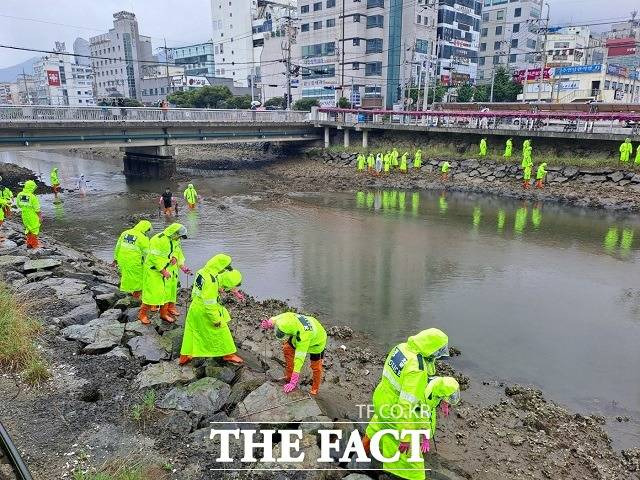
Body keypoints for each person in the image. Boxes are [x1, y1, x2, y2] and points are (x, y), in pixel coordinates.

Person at [362, 328, 449, 453]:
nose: (438, 354)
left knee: (375, 428)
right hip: (394, 409)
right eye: (438, 350)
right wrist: (406, 437)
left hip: (382, 398)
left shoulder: (402, 348)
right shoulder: (417, 369)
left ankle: (354, 458)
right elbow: (406, 404)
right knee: (407, 456)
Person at [372, 376, 461, 480]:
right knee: (418, 422)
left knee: (429, 419)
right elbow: (424, 419)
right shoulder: (426, 395)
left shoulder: (438, 383)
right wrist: (425, 439)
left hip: (426, 405)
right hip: (416, 405)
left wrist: (444, 404)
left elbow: (431, 410)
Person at [179, 253, 245, 366]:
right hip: (204, 310)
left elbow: (218, 280)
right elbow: (210, 304)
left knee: (191, 331)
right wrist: (216, 320)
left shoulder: (203, 272)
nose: (224, 270)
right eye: (224, 268)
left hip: (195, 306)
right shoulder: (211, 281)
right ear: (219, 267)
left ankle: (184, 356)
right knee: (222, 330)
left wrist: (235, 292)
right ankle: (228, 354)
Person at [260, 312, 327, 395]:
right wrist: (269, 323)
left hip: (317, 341)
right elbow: (274, 319)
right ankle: (289, 376)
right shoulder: (287, 317)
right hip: (299, 329)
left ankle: (315, 389)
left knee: (316, 367)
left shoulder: (303, 337)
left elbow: (299, 359)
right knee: (287, 348)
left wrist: (294, 382)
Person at [139, 223, 191, 325]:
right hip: (154, 270)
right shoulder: (158, 239)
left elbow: (177, 251)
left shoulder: (175, 239)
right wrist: (163, 271)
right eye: (179, 236)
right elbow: (154, 257)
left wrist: (179, 263)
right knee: (153, 293)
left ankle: (164, 313)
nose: (179, 239)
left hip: (169, 269)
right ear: (174, 233)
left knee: (169, 291)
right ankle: (142, 314)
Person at [112, 220, 153, 299]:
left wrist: (115, 259)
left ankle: (128, 293)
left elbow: (118, 246)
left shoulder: (125, 233)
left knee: (127, 276)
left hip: (122, 260)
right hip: (134, 261)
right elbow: (147, 253)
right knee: (140, 279)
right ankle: (136, 297)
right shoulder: (142, 238)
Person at [16, 180, 41, 249]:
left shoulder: (20, 194)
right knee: (35, 229)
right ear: (32, 187)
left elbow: (18, 205)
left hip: (24, 214)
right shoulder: (32, 196)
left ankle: (29, 242)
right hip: (32, 215)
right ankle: (33, 244)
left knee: (28, 228)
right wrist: (39, 217)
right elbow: (37, 209)